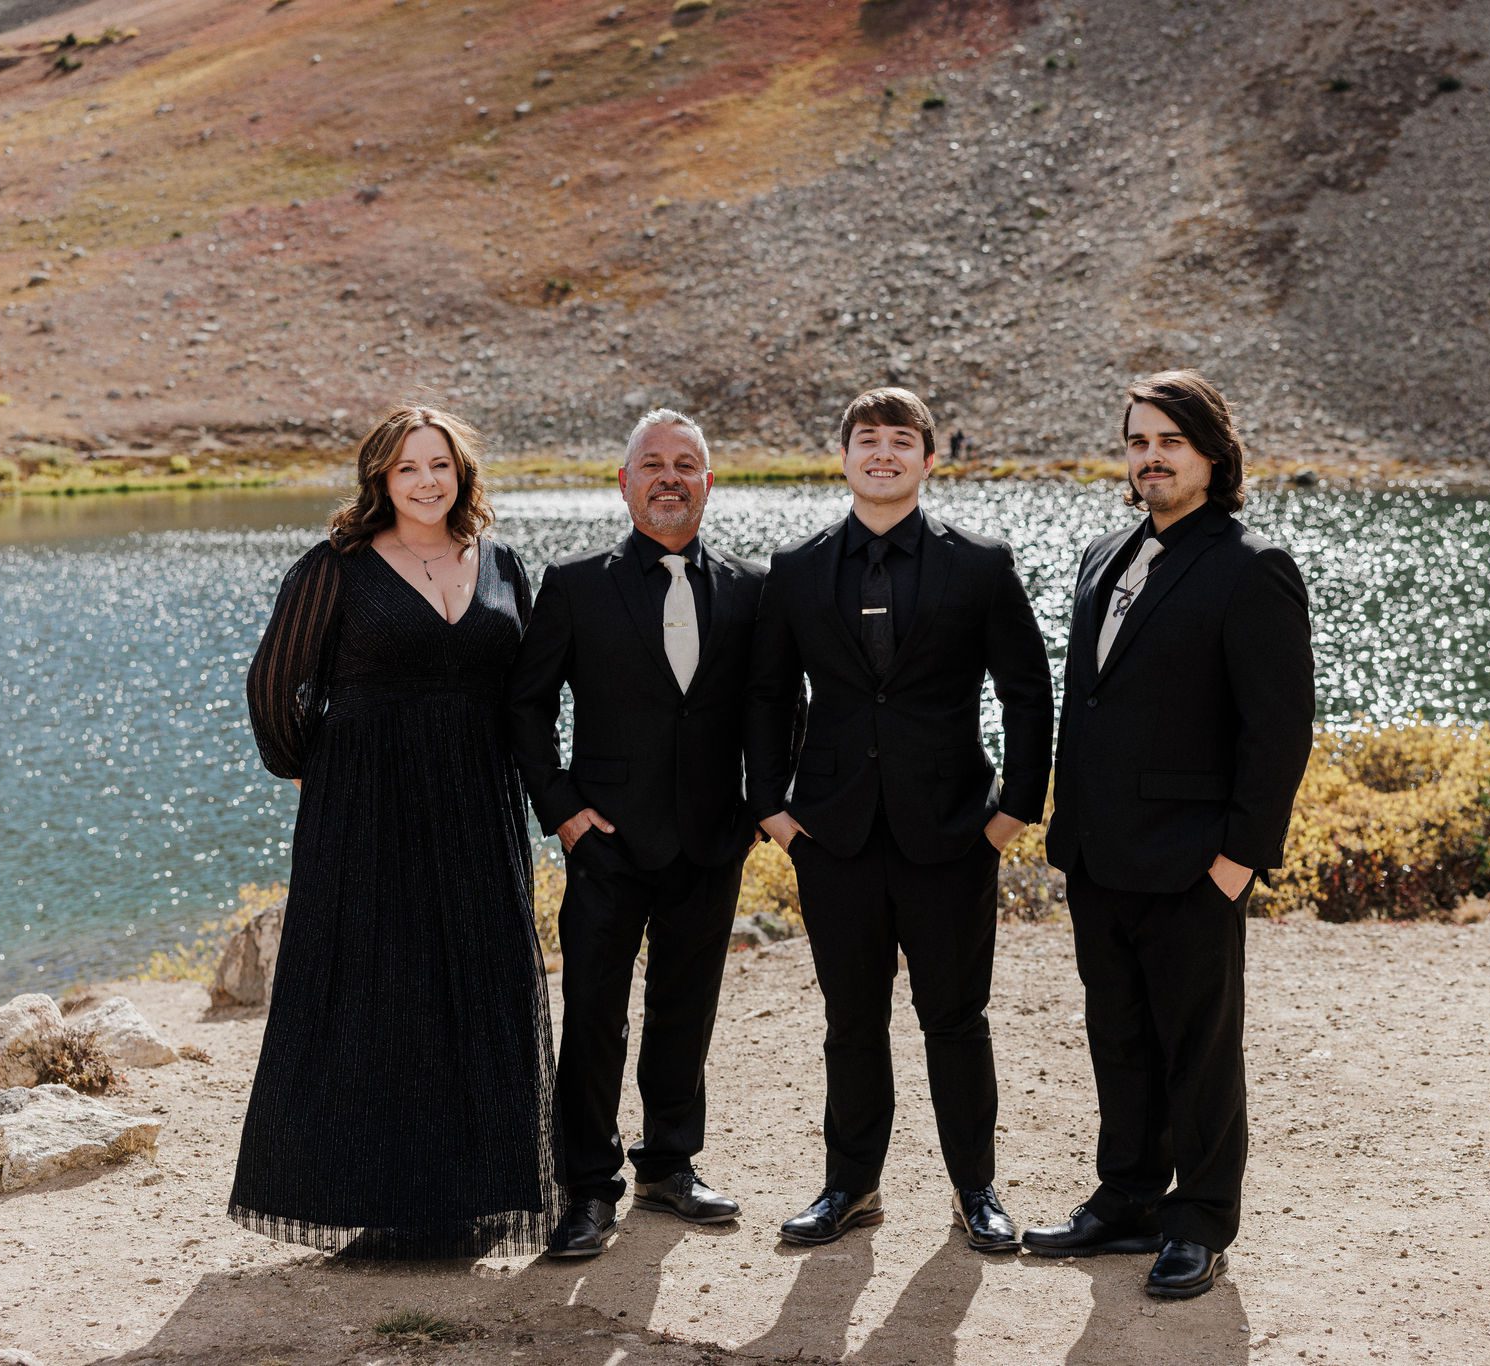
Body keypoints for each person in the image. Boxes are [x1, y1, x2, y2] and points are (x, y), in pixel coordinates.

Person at [230, 405, 563, 1258]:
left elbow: (526, 693)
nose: (426, 481)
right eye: (408, 467)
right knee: (381, 993)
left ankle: (479, 1192)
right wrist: (318, 769)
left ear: (462, 473)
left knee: (478, 982)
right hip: (366, 812)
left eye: (440, 465)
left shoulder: (503, 563)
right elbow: (274, 685)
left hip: (478, 809)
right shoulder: (335, 567)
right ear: (381, 478)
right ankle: (379, 1203)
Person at [1024, 371, 1313, 1299]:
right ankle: (1128, 1199)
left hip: (1195, 863)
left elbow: (1279, 730)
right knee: (1117, 1034)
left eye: (1170, 443)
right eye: (1139, 441)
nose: (1151, 457)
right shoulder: (1105, 552)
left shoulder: (1250, 564)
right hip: (1100, 852)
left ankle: (1200, 1220)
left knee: (1199, 1047)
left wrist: (1238, 860)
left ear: (1213, 454)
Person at [747, 386, 1054, 1252]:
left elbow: (1028, 694)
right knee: (851, 1022)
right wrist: (772, 807)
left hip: (953, 835)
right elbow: (768, 695)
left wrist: (1013, 812)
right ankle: (851, 1187)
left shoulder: (980, 564)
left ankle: (976, 1191)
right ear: (842, 456)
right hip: (833, 837)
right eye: (866, 440)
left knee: (956, 1020)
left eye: (901, 441)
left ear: (928, 458)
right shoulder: (797, 567)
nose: (883, 454)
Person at [507, 408, 770, 1259]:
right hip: (606, 842)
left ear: (707, 483)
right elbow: (527, 705)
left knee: (685, 1011)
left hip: (711, 838)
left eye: (684, 464)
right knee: (593, 1014)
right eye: (651, 463)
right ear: (623, 483)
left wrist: (760, 806)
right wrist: (564, 811)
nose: (668, 476)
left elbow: (777, 708)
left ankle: (670, 1166)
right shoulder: (576, 583)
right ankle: (587, 1186)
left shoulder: (751, 587)